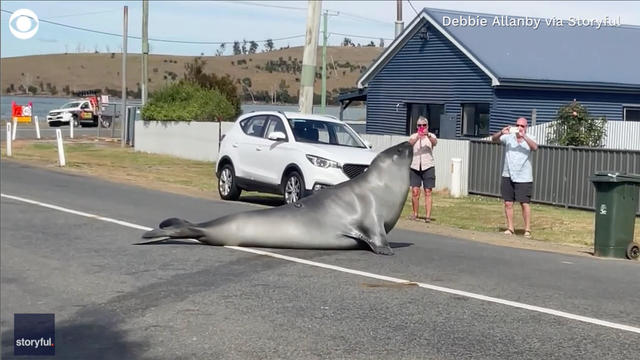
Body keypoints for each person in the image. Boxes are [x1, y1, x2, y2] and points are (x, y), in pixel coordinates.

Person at [491, 117, 538, 238]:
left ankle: (527, 229)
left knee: (524, 203)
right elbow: (493, 139)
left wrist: (524, 137)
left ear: (526, 127)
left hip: (524, 176)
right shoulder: (509, 138)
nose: (519, 128)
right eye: (517, 125)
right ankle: (510, 228)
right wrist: (501, 132)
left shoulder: (530, 137)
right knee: (508, 203)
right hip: (508, 174)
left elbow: (535, 147)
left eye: (522, 126)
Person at [408, 116, 437, 223]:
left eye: (424, 125)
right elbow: (409, 144)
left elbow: (434, 142)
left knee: (428, 191)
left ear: (427, 126)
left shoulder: (431, 136)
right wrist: (418, 137)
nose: (422, 127)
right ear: (417, 126)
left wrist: (427, 135)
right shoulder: (413, 136)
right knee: (415, 191)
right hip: (415, 166)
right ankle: (415, 214)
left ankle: (428, 216)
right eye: (420, 125)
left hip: (428, 165)